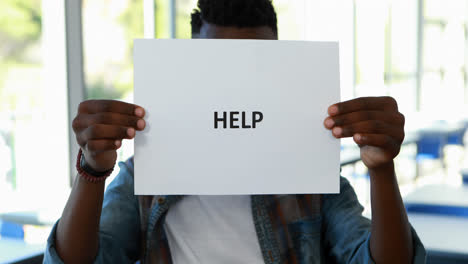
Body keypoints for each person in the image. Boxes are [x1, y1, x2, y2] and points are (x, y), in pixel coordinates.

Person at [44, 0, 426, 263]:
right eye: (217, 65)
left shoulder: (310, 176)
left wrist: (382, 170)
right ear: (191, 64)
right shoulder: (148, 174)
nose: (235, 85)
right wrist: (92, 170)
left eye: (253, 67)